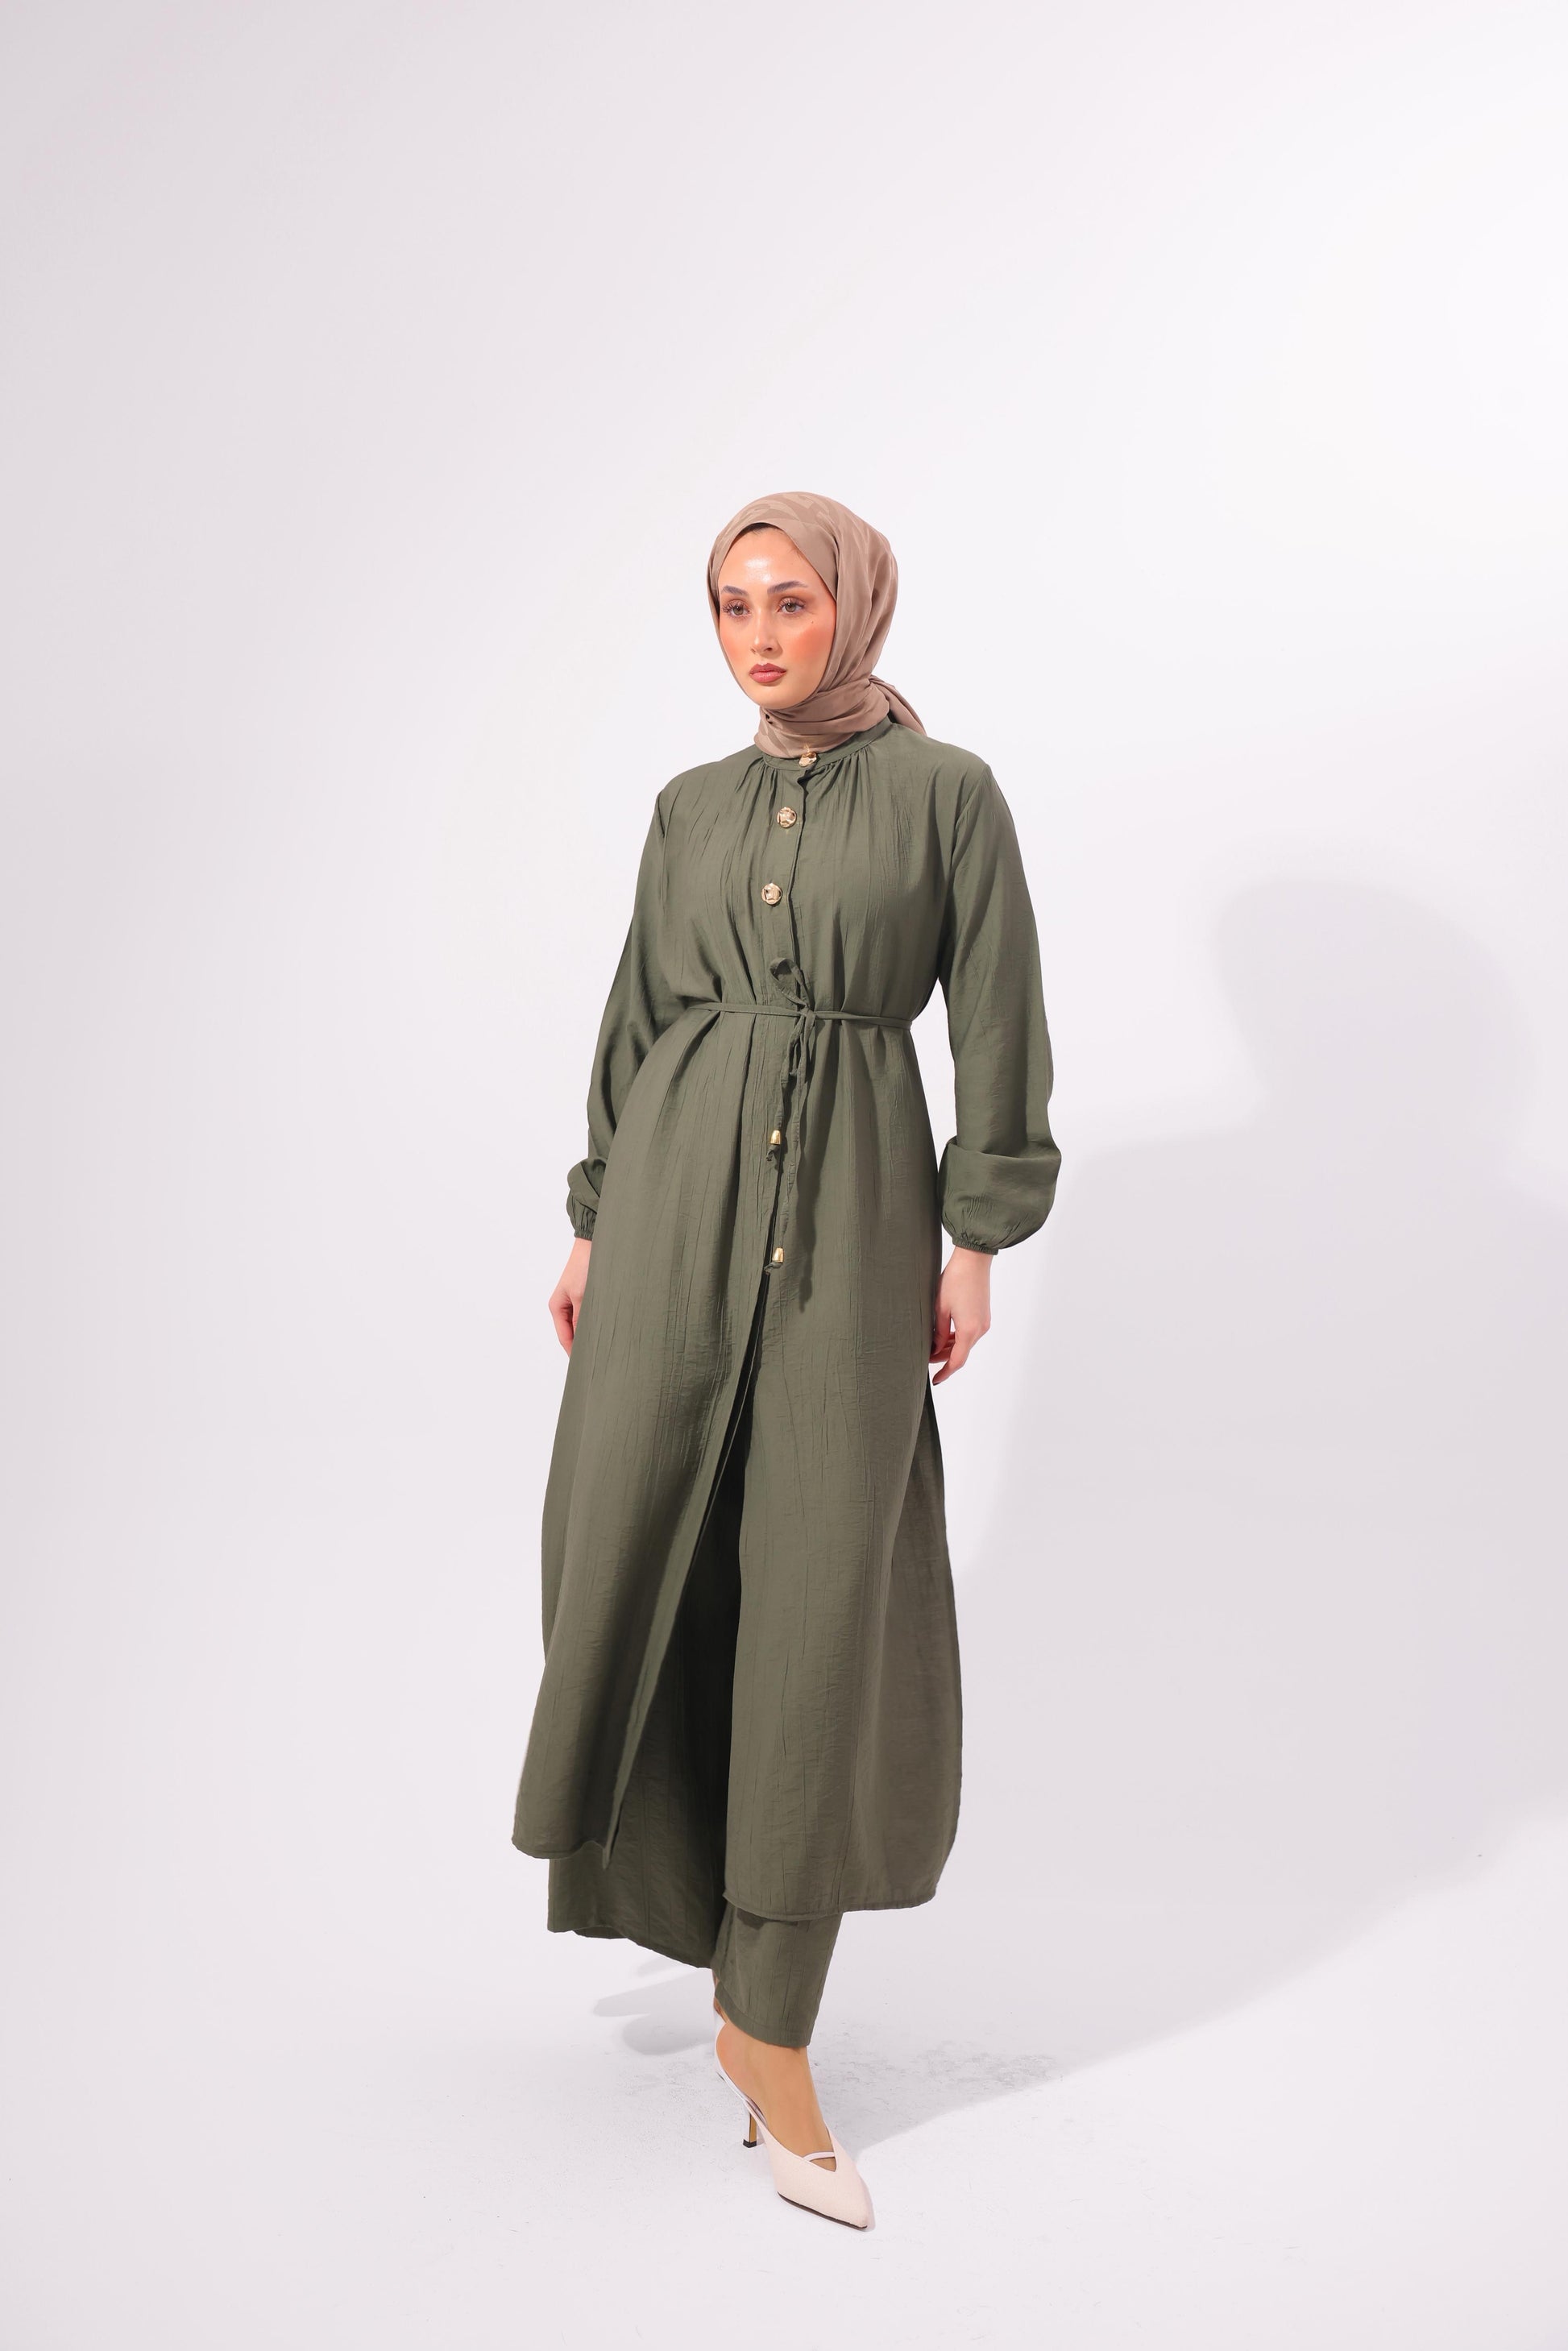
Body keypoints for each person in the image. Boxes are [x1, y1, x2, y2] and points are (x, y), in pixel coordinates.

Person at [512, 490, 1060, 2229]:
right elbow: (638, 1020)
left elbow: (998, 1022)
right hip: (667, 1217)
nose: (760, 634)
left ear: (857, 609)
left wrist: (975, 1238)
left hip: (854, 1214)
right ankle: (700, 1943)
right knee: (635, 1562)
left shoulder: (948, 794)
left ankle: (774, 2023)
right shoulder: (688, 806)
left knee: (822, 1603)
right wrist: (595, 1218)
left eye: (792, 600)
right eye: (732, 604)